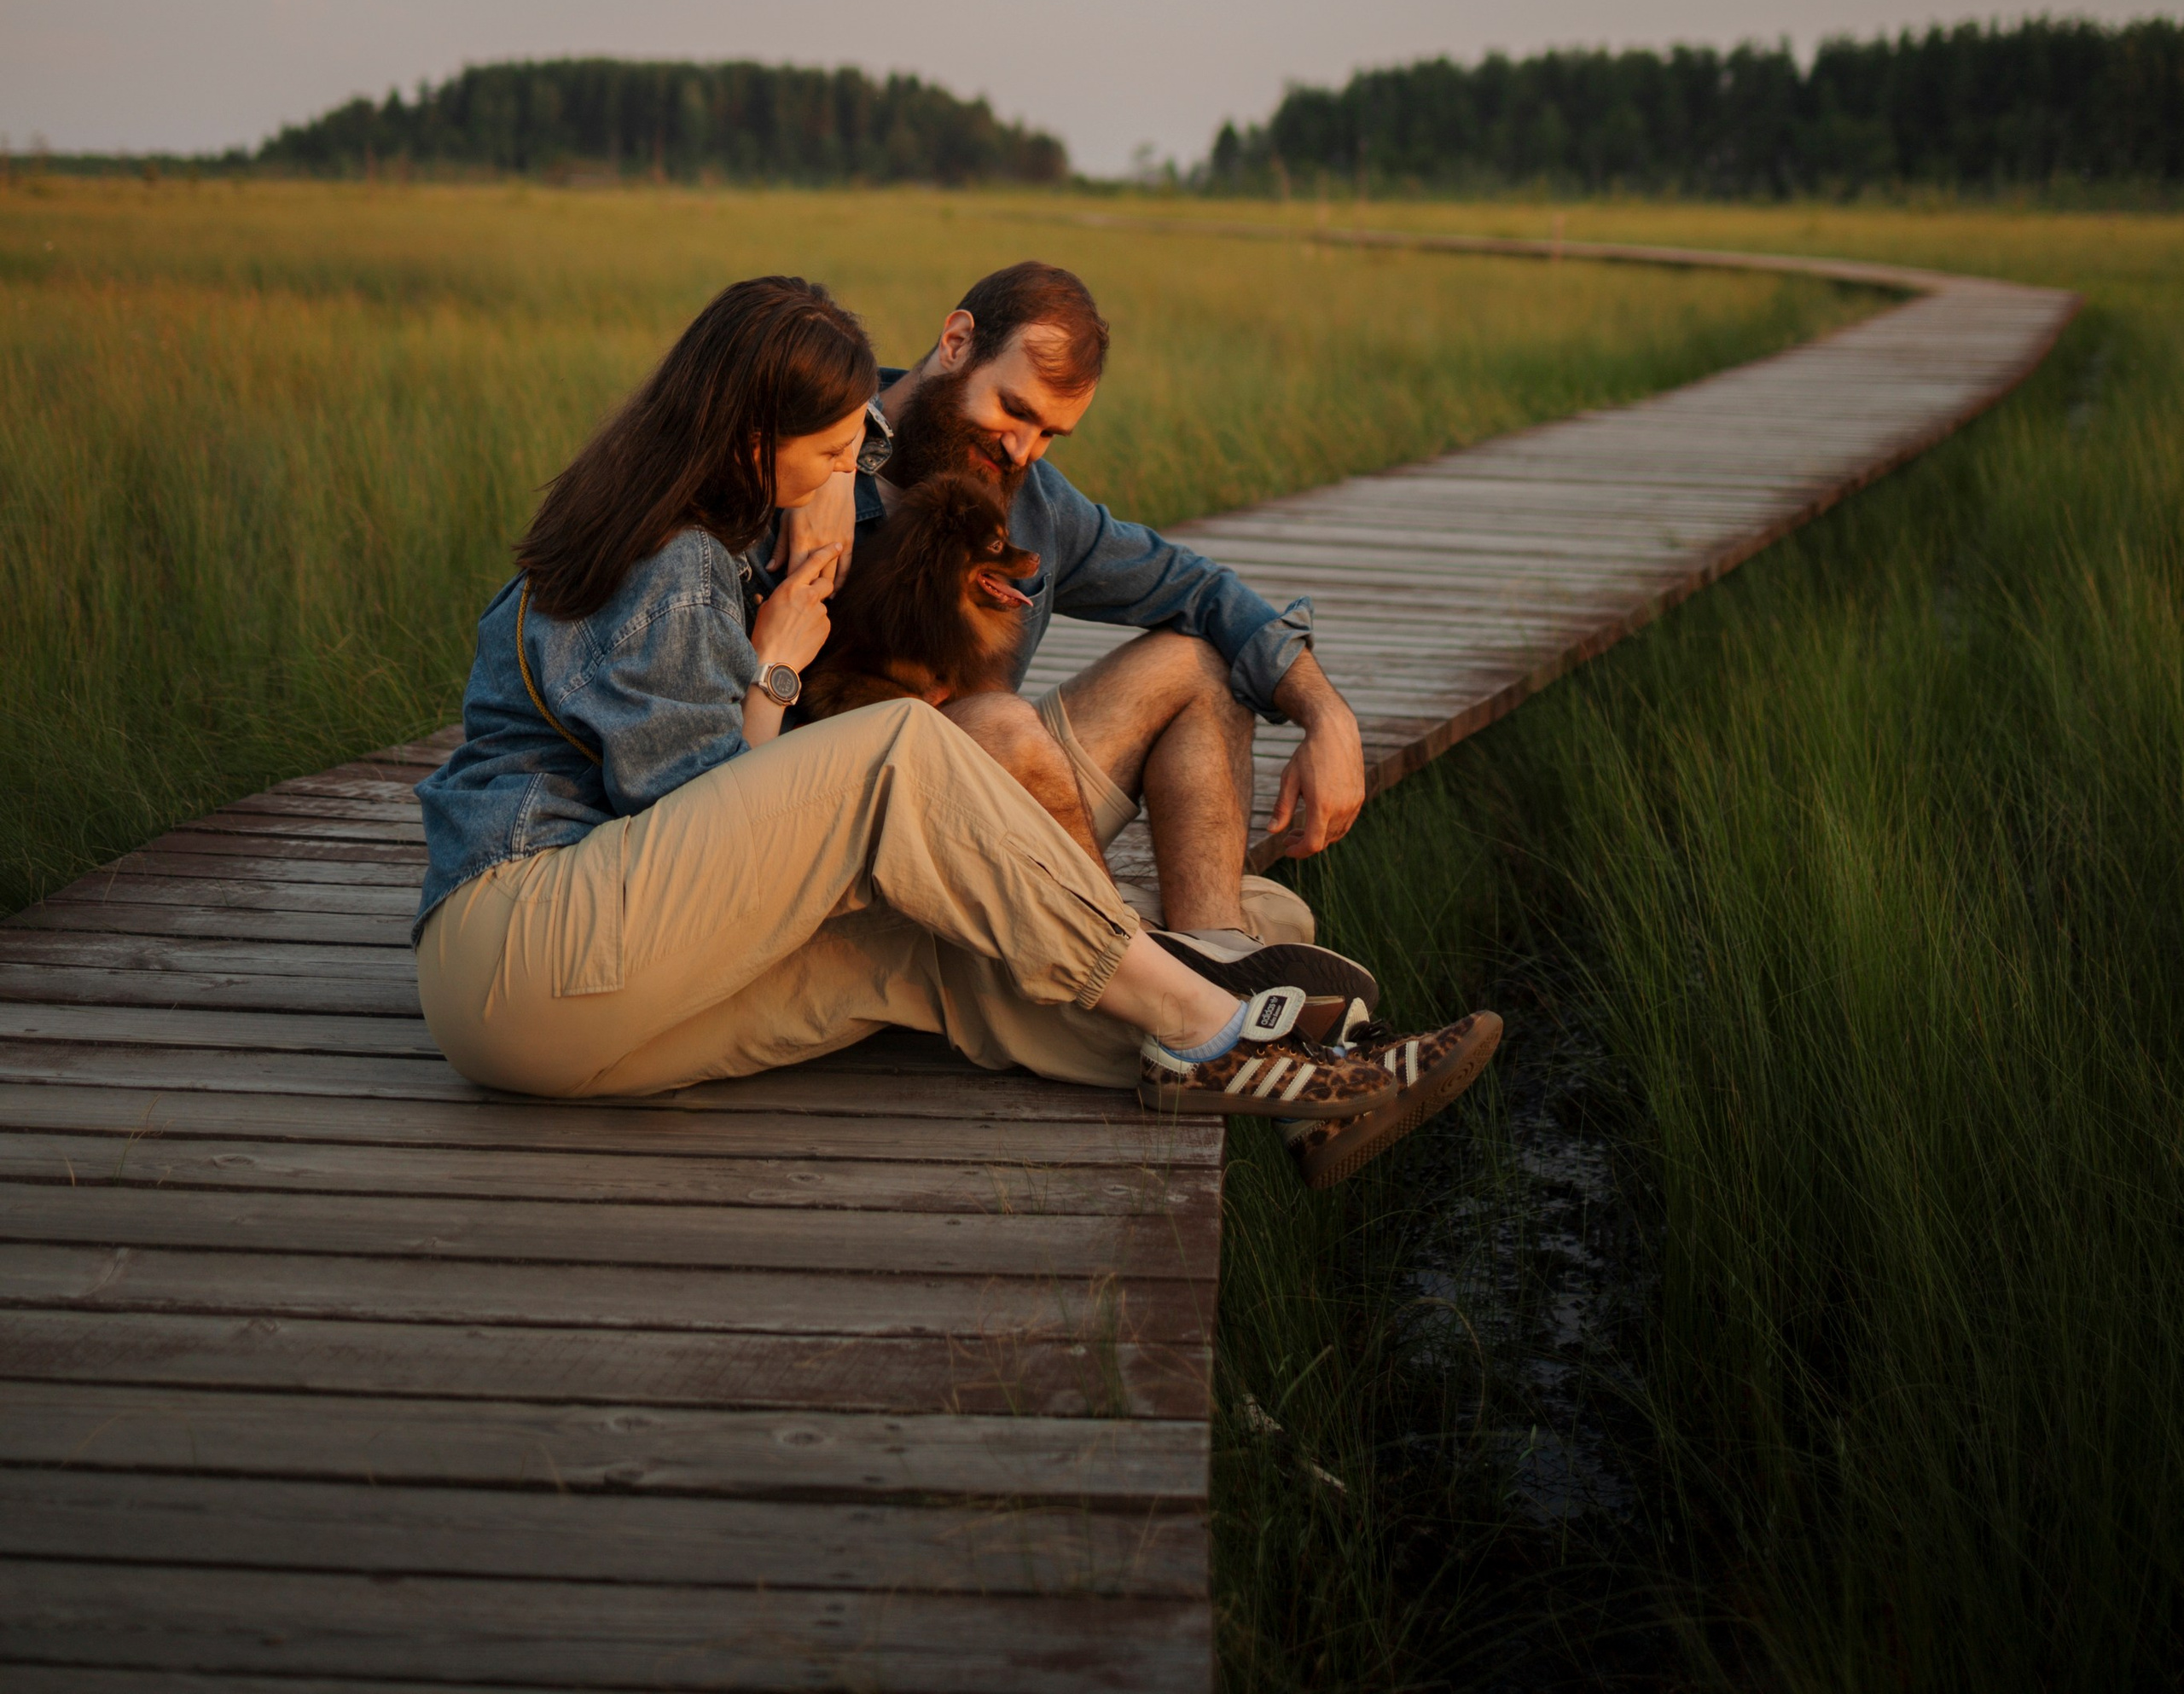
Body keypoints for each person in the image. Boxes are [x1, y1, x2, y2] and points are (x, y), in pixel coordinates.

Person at [412, 271, 1499, 1183]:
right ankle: (1211, 1016)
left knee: (941, 968)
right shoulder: (682, 564)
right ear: (756, 444)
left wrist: (1321, 708)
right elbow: (693, 823)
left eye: (857, 455)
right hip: (531, 944)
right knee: (915, 743)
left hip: (592, 1013)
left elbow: (712, 855)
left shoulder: (748, 525)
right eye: (839, 455)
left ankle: (1303, 1080)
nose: (850, 478)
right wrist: (783, 657)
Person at [761, 259, 1380, 1002]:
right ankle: (1149, 974)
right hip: (843, 839)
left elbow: (1200, 588)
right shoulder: (798, 462)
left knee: (1195, 662)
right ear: (957, 342)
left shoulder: (1035, 509)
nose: (1023, 449)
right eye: (1014, 410)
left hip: (991, 811)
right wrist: (839, 465)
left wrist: (1327, 714)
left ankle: (1217, 959)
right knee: (999, 720)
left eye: (1051, 432)